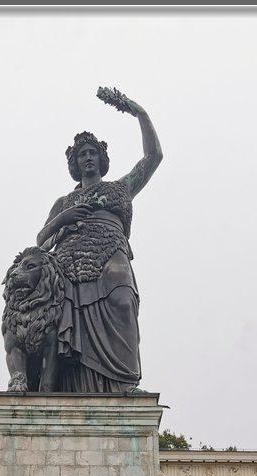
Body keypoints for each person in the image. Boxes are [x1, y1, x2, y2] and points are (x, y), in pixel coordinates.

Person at [36, 88, 162, 392]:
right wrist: (63, 219)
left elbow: (153, 156)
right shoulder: (65, 200)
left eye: (93, 153)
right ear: (75, 163)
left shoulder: (121, 188)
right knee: (64, 318)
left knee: (121, 298)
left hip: (110, 251)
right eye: (82, 154)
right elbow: (40, 242)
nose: (88, 158)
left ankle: (126, 383)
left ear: (101, 158)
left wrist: (138, 111)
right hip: (70, 261)